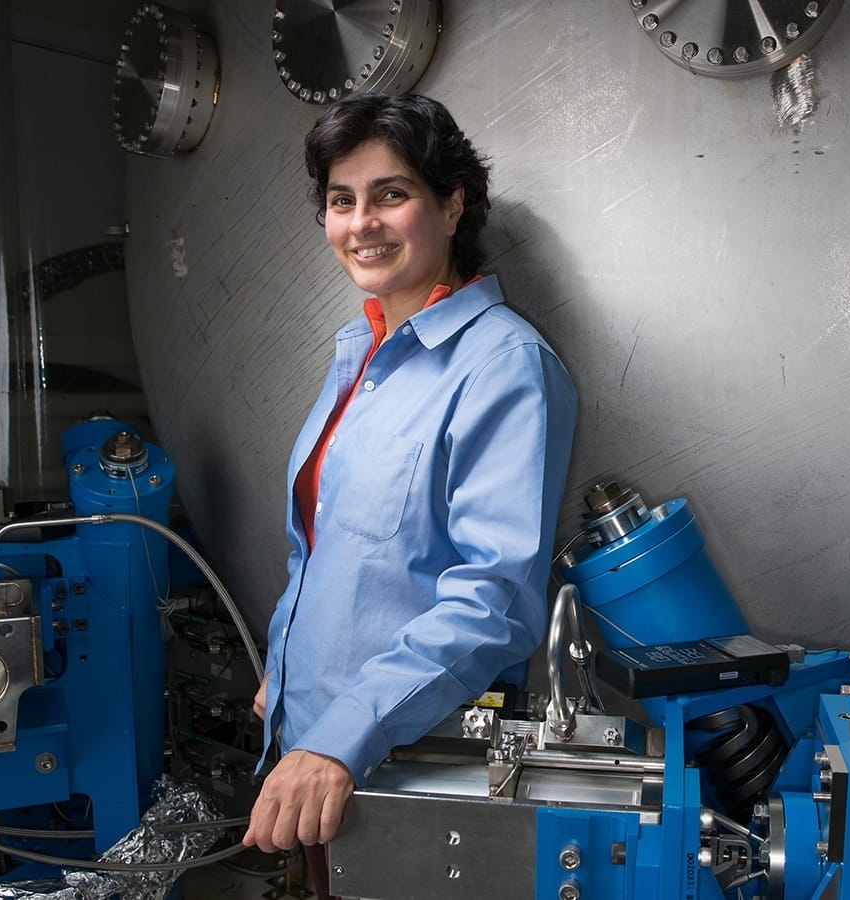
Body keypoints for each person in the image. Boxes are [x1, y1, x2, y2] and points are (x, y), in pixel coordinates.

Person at [240, 92, 578, 892]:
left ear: (452, 203)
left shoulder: (502, 366)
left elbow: (492, 601)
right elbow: (334, 550)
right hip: (316, 755)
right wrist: (290, 671)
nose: (363, 223)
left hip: (403, 765)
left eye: (391, 194)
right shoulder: (361, 352)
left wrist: (339, 737)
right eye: (340, 200)